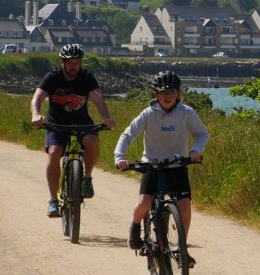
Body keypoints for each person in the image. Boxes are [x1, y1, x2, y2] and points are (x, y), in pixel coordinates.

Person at [114, 70, 209, 256]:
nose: (167, 96)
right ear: (155, 94)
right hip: (152, 165)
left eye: (172, 92)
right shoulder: (148, 114)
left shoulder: (186, 113)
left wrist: (196, 150)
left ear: (178, 94)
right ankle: (135, 227)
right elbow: (127, 135)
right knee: (144, 202)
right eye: (163, 92)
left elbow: (202, 134)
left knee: (185, 205)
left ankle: (181, 247)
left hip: (177, 165)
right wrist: (120, 157)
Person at [31, 43, 116, 217]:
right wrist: (36, 114)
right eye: (70, 63)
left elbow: (96, 97)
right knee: (54, 153)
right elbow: (38, 96)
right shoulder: (53, 77)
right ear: (62, 62)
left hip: (81, 122)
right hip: (57, 123)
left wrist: (106, 118)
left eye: (77, 62)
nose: (74, 67)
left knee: (92, 141)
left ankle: (87, 178)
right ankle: (53, 200)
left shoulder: (87, 77)